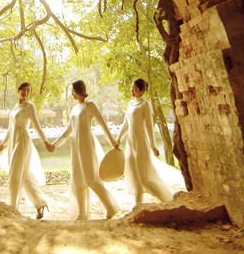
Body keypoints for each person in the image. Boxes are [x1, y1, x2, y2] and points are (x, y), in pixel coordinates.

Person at [48, 80, 120, 220]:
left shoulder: (91, 105)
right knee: (77, 180)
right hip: (76, 147)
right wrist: (54, 145)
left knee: (92, 179)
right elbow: (68, 132)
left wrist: (112, 142)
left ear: (80, 90)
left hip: (87, 145)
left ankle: (111, 208)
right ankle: (82, 214)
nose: (72, 94)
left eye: (74, 91)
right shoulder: (75, 109)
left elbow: (103, 124)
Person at [0, 82, 54, 219]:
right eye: (23, 89)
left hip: (22, 142)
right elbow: (10, 128)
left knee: (14, 175)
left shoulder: (30, 106)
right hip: (13, 141)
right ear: (19, 90)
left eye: (28, 90)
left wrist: (46, 142)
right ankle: (40, 203)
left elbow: (37, 127)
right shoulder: (16, 106)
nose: (25, 92)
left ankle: (12, 208)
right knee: (24, 175)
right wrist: (3, 144)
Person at [116, 78, 173, 208]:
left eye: (135, 89)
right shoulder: (130, 104)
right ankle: (138, 199)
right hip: (130, 143)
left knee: (142, 174)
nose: (132, 91)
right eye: (131, 88)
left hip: (141, 142)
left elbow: (149, 126)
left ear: (142, 90)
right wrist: (118, 139)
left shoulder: (145, 104)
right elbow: (126, 123)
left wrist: (153, 145)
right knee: (132, 170)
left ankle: (166, 199)